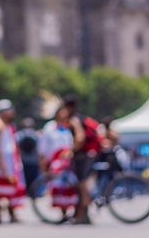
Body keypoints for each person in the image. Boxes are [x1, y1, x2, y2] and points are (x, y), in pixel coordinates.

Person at [0, 99, 25, 224]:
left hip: (11, 162)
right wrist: (2, 163)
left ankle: (12, 213)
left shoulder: (9, 125)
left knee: (10, 190)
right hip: (0, 163)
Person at [63, 95, 101, 225]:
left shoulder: (74, 119)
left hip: (81, 156)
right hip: (87, 154)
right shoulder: (81, 116)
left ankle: (84, 210)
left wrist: (71, 150)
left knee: (82, 184)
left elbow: (80, 137)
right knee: (82, 183)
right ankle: (84, 213)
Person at [16, 117, 42, 189]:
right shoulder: (36, 135)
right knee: (33, 182)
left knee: (23, 182)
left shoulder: (19, 135)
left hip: (22, 161)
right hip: (33, 161)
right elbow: (39, 149)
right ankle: (32, 195)